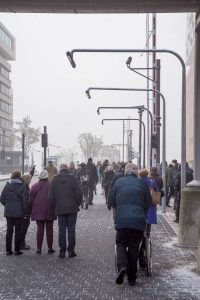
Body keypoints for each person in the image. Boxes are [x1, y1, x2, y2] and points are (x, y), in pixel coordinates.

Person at [109, 163, 151, 285]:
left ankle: (122, 266)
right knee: (134, 247)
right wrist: (141, 212)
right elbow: (147, 202)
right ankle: (132, 278)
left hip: (122, 220)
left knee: (121, 244)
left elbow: (111, 201)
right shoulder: (142, 184)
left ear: (126, 172)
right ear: (136, 172)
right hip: (138, 221)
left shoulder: (118, 182)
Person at [49, 164, 82, 259]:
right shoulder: (73, 179)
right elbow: (79, 194)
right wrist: (76, 204)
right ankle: (71, 251)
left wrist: (54, 207)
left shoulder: (54, 181)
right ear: (67, 169)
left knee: (61, 230)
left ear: (60, 170)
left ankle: (62, 251)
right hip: (72, 208)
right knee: (71, 229)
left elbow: (50, 197)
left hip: (60, 209)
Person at [0, 170, 27, 255]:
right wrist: (24, 210)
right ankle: (17, 250)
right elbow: (25, 201)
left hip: (9, 212)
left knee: (9, 230)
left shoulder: (8, 185)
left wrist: (7, 205)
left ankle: (8, 250)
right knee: (18, 230)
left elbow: (2, 199)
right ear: (19, 176)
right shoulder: (23, 186)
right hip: (19, 212)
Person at [30, 170, 56, 254]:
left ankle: (38, 249)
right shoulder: (51, 185)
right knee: (49, 230)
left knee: (39, 229)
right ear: (46, 177)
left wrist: (32, 210)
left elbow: (31, 201)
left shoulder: (34, 186)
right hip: (50, 210)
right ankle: (49, 248)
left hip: (38, 211)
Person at [138, 169, 157, 267]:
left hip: (139, 213)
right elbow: (157, 195)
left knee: (137, 235)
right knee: (146, 236)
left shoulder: (137, 182)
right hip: (149, 213)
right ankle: (143, 258)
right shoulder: (152, 182)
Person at [20, 174, 32, 250]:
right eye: (30, 179)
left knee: (23, 228)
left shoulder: (24, 186)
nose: (31, 180)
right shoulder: (25, 187)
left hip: (24, 211)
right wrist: (26, 213)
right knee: (24, 228)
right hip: (25, 212)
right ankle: (22, 244)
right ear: (27, 179)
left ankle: (22, 243)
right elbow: (25, 201)